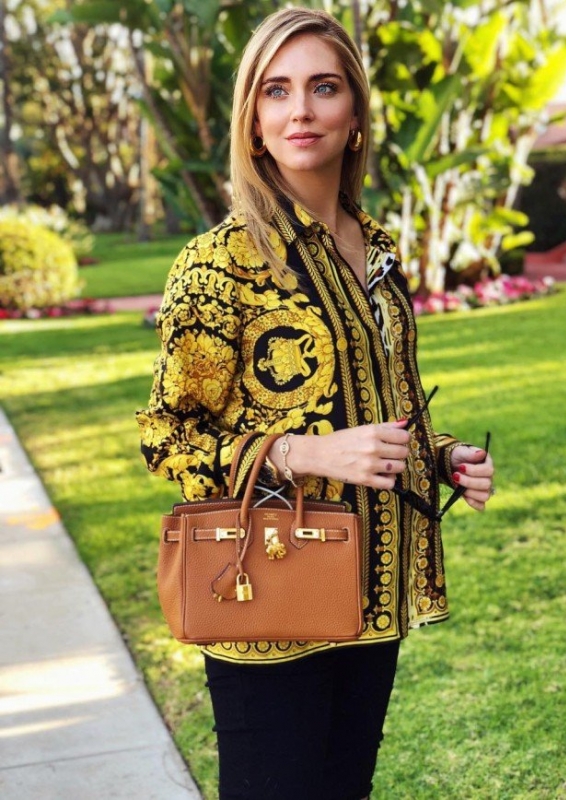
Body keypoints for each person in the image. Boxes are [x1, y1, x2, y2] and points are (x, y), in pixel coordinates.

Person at [136, 7, 495, 799]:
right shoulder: (219, 264)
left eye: (323, 87)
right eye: (276, 90)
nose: (300, 109)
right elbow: (167, 438)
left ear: (356, 114)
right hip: (267, 595)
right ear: (253, 122)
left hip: (368, 593)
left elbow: (384, 402)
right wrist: (303, 454)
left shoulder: (377, 254)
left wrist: (441, 457)